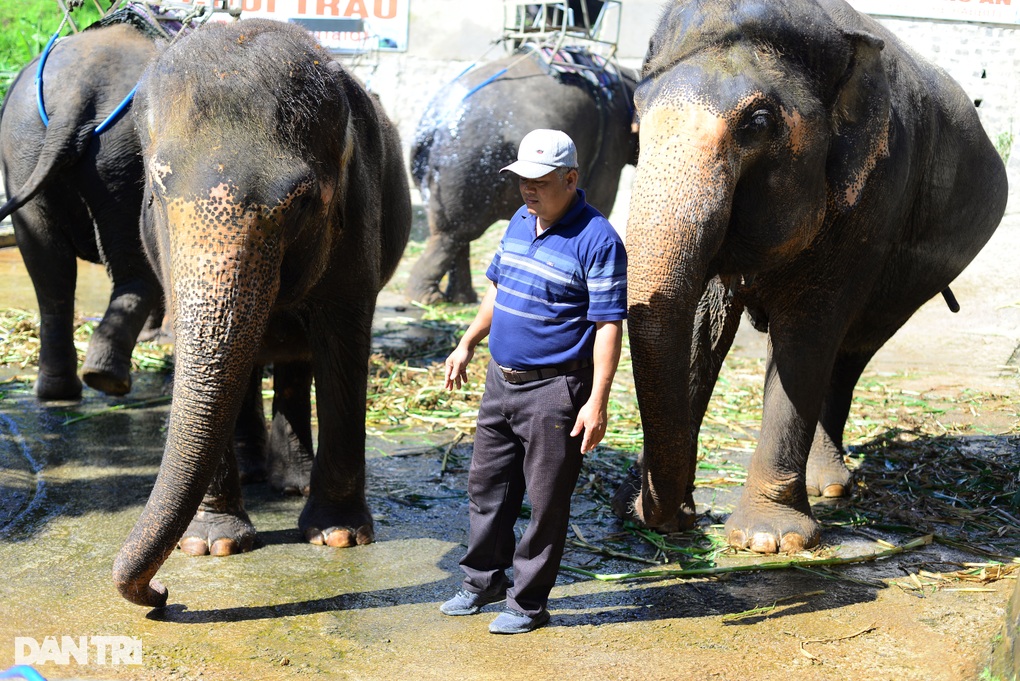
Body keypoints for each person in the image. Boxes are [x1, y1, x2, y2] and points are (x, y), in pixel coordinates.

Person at [440, 129, 627, 634]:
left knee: (545, 502)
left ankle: (527, 605)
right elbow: (498, 291)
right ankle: (481, 582)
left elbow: (608, 324)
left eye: (540, 182)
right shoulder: (521, 221)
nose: (528, 190)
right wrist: (468, 343)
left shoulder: (599, 240)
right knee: (487, 486)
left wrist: (598, 402)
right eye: (522, 179)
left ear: (570, 179)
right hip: (500, 380)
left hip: (554, 391)